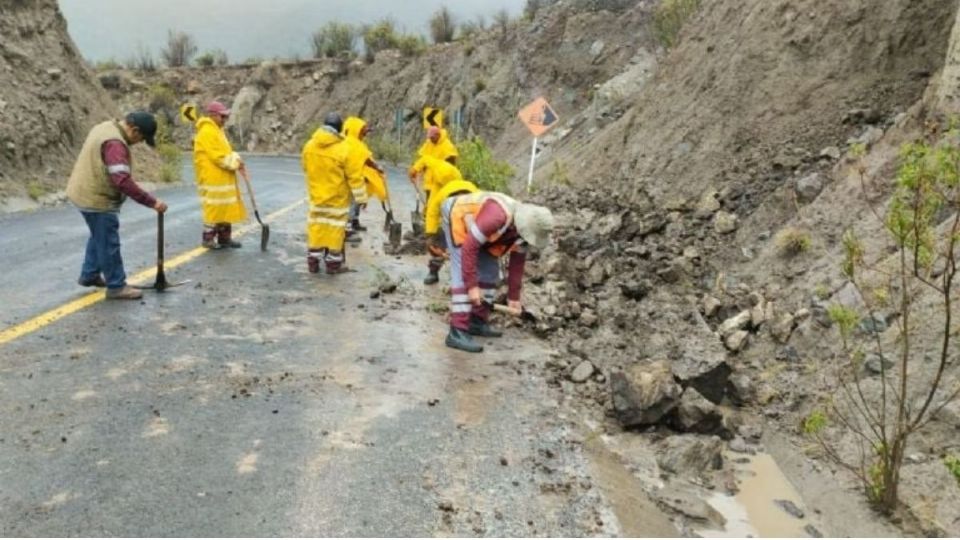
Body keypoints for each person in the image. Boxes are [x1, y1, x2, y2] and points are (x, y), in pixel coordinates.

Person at [66, 111, 168, 300]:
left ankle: (90, 274)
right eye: (141, 138)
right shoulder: (115, 144)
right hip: (96, 197)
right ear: (134, 130)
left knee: (99, 234)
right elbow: (122, 181)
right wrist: (152, 202)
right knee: (107, 240)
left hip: (81, 190)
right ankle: (116, 285)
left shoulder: (105, 126)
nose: (139, 143)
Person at [441, 192, 554, 353]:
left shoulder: (522, 233)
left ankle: (476, 321)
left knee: (490, 272)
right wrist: (472, 286)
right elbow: (469, 248)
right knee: (462, 276)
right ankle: (457, 331)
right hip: (458, 216)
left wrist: (513, 297)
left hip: (480, 231)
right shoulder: (497, 216)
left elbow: (517, 263)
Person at [301, 112, 365, 274]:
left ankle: (313, 263)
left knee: (316, 229)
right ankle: (333, 266)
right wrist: (361, 197)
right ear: (339, 128)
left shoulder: (309, 146)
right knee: (335, 232)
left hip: (317, 197)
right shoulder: (343, 149)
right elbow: (354, 176)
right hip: (337, 200)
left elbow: (305, 167)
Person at [193, 101, 247, 249]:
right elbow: (218, 157)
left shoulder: (217, 130)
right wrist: (235, 162)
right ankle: (208, 239)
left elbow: (226, 152)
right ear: (213, 115)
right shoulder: (207, 132)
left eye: (226, 116)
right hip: (212, 178)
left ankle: (224, 238)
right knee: (214, 208)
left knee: (225, 207)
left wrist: (236, 159)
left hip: (222, 176)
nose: (225, 119)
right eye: (222, 116)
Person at [422, 178, 478, 285]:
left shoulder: (478, 198)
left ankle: (473, 276)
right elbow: (432, 214)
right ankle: (433, 271)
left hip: (471, 217)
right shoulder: (440, 198)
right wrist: (430, 235)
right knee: (440, 240)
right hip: (448, 220)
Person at [341, 116, 386, 242]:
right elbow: (367, 160)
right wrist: (377, 167)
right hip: (348, 179)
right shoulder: (350, 144)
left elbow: (366, 158)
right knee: (350, 203)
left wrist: (376, 168)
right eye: (363, 131)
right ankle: (347, 230)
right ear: (356, 130)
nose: (365, 134)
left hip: (355, 178)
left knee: (357, 201)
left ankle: (353, 222)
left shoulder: (356, 143)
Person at [408, 125, 458, 203]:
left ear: (438, 135)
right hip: (429, 180)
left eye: (432, 138)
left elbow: (451, 165)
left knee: (438, 203)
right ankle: (427, 213)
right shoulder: (429, 143)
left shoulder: (447, 146)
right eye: (430, 138)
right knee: (429, 202)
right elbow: (422, 157)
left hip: (440, 181)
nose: (431, 140)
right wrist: (415, 170)